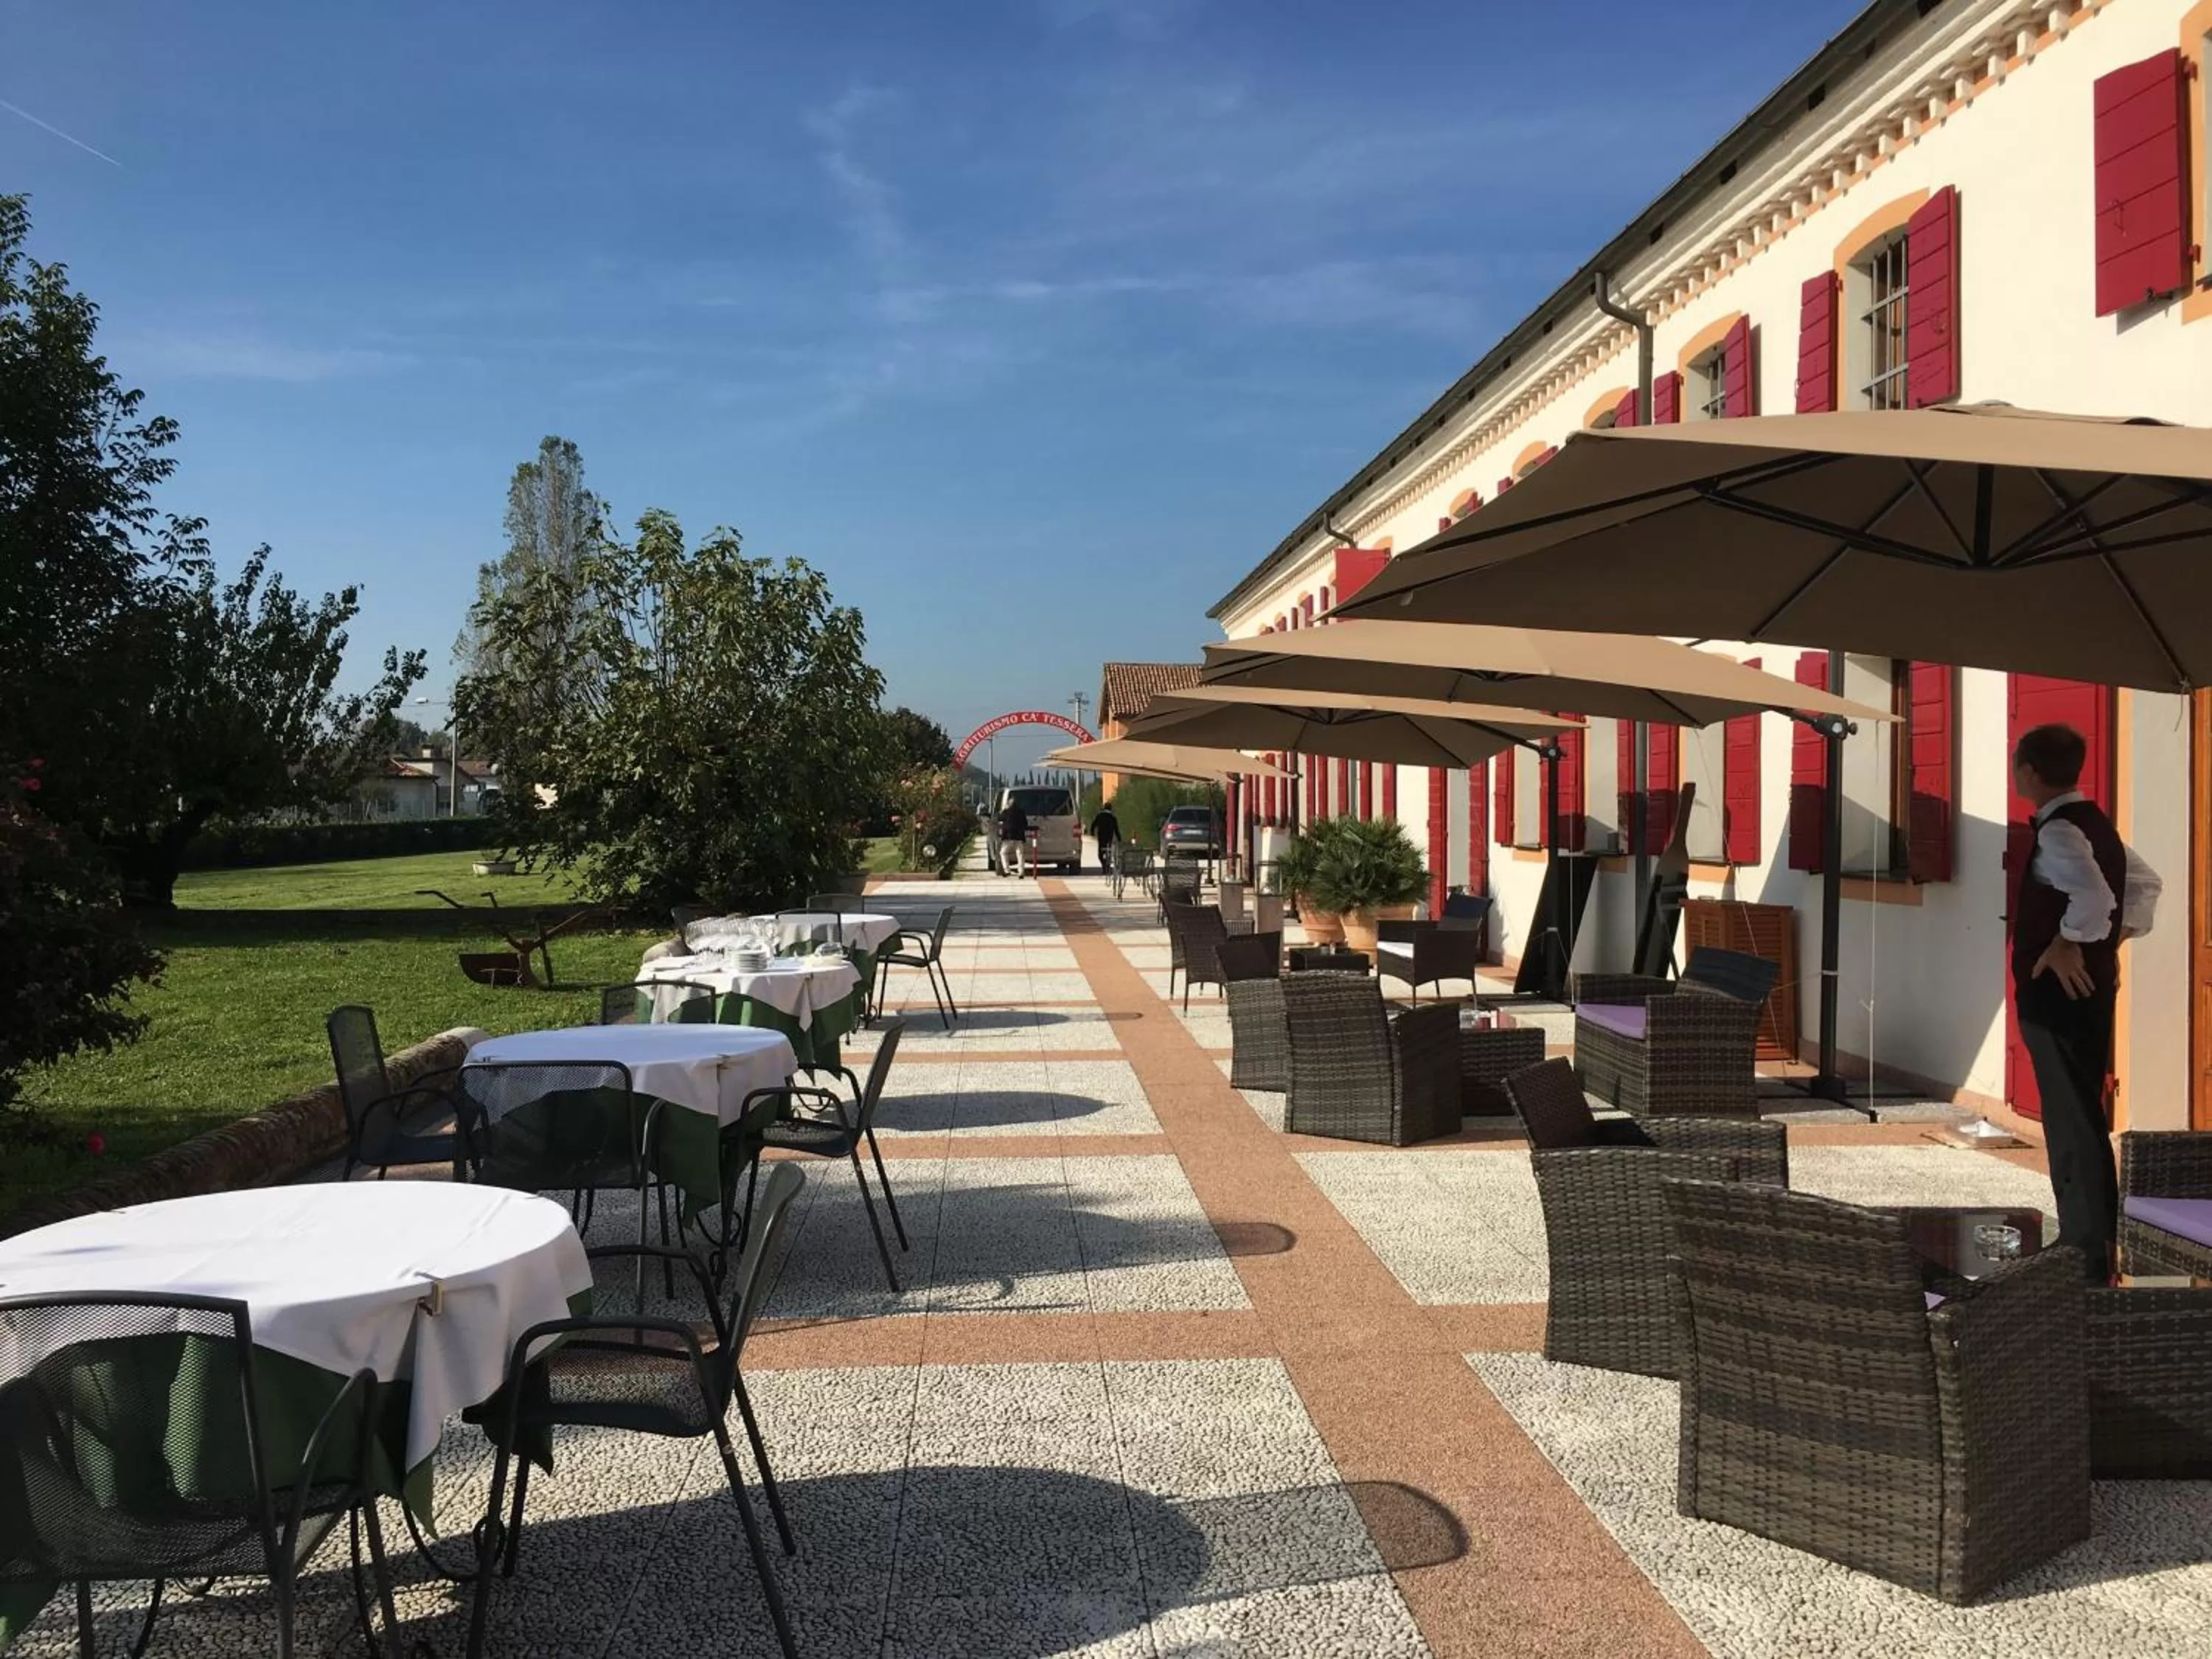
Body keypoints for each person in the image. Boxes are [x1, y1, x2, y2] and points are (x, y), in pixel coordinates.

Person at [2010, 723, 2163, 1279]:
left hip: (2058, 993)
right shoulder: (2094, 824)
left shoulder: (2060, 831)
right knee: (2081, 1109)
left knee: (2069, 1113)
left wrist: (2070, 940)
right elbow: (2144, 885)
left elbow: (2096, 897)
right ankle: (2091, 1238)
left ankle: (2083, 1246)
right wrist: (2106, 942)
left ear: (2029, 772)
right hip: (2090, 987)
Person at [995, 797, 1029, 878]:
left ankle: (1007, 870)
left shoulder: (1006, 812)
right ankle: (1021, 872)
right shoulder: (1021, 812)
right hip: (1019, 836)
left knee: (1003, 853)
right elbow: (1025, 824)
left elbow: (999, 818)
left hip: (1008, 836)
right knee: (1020, 854)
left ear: (1009, 804)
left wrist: (1004, 809)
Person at [1090, 802, 1121, 874]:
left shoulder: (1099, 816)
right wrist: (1119, 838)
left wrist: (1092, 833)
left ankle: (1104, 867)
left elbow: (1093, 825)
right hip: (1109, 837)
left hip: (1101, 837)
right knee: (1109, 851)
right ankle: (1108, 865)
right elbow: (1116, 829)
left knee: (1101, 853)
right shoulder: (1113, 818)